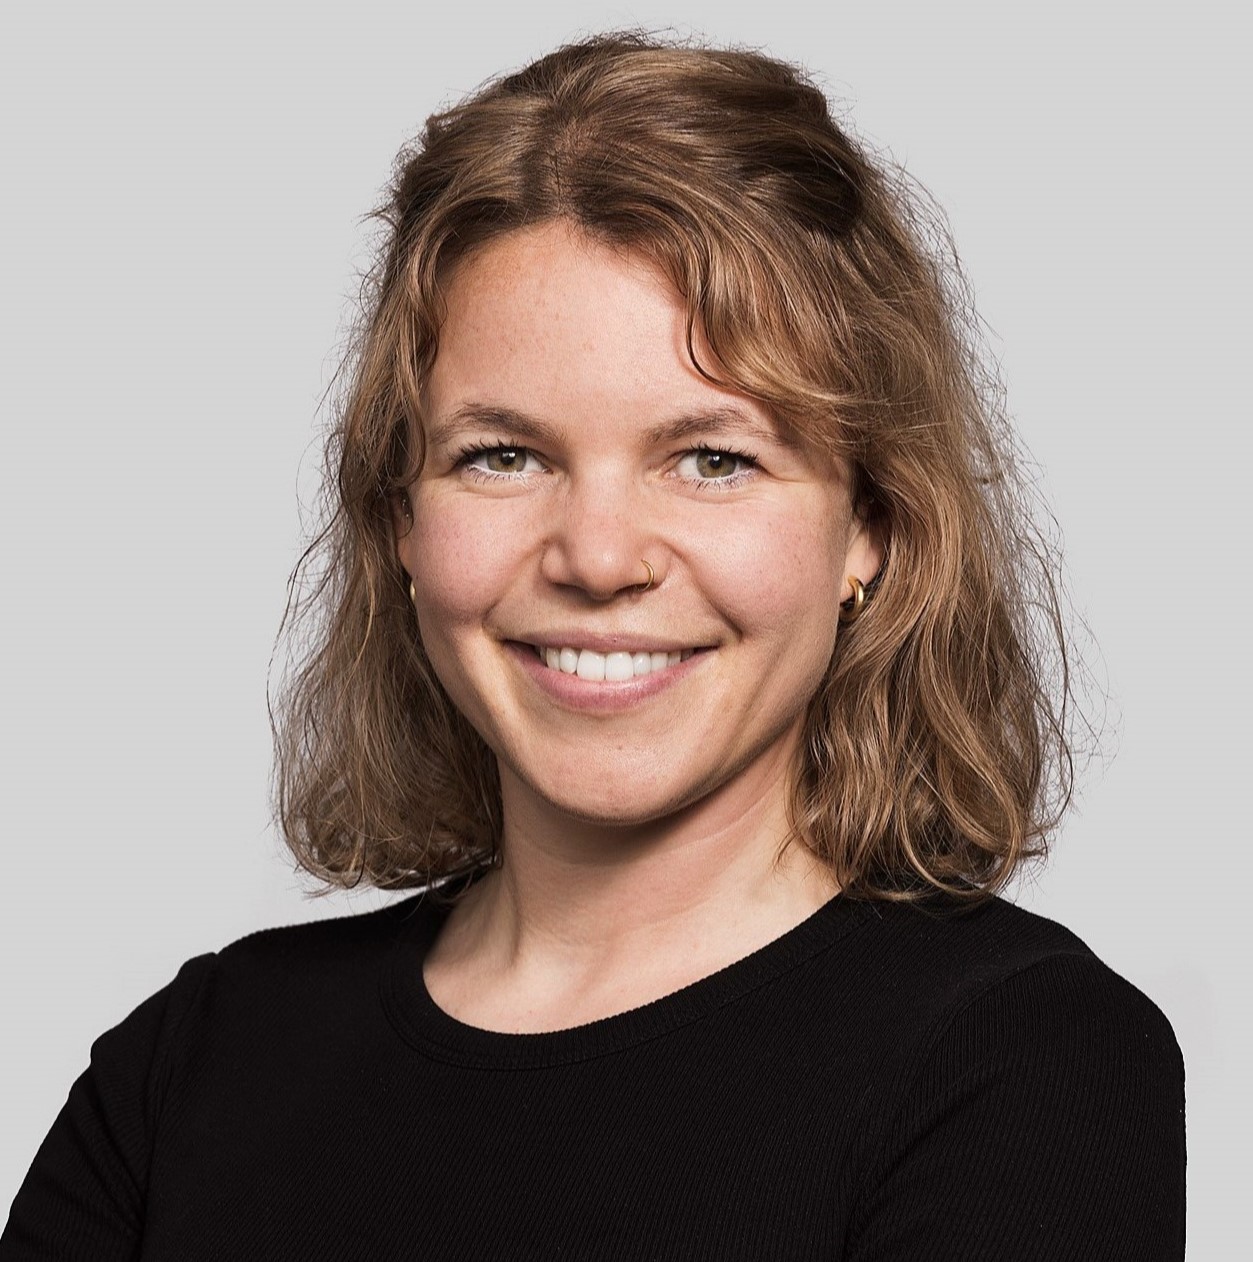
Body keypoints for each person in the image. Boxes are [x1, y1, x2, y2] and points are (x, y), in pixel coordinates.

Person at [1, 32, 1184, 1260]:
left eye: (712, 458)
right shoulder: (190, 1063)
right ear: (400, 520)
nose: (599, 555)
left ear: (869, 526)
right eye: (502, 455)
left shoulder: (1020, 1062)